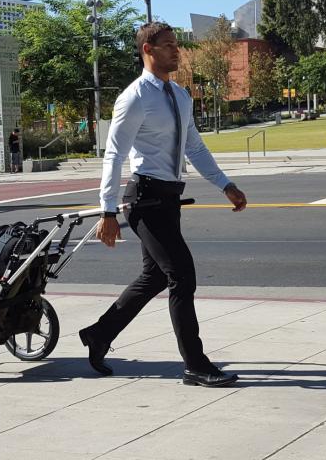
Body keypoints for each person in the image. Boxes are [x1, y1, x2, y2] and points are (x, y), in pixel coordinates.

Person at [79, 22, 248, 388]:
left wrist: (225, 184)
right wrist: (107, 210)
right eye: (168, 45)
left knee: (155, 276)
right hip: (144, 198)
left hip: (169, 197)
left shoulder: (181, 96)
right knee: (181, 275)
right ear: (148, 50)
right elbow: (114, 155)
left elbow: (195, 147)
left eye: (177, 45)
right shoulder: (135, 97)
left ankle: (99, 334)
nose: (177, 51)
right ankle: (196, 364)